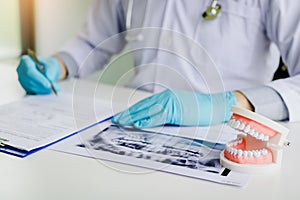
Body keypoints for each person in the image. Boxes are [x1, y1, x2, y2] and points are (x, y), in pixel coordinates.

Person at [17, 0, 300, 129]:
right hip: (131, 122)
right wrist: (55, 65)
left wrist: (225, 104)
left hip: (225, 130)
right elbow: (93, 42)